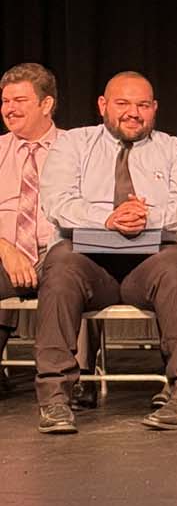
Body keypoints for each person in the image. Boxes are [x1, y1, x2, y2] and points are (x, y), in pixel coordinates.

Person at [35, 71, 177, 434]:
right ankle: (55, 397)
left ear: (154, 108)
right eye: (123, 104)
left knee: (176, 264)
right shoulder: (73, 145)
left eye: (143, 105)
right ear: (103, 106)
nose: (134, 113)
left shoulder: (176, 150)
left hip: (152, 259)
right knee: (60, 260)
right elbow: (56, 202)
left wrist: (145, 216)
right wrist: (108, 218)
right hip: (89, 260)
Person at [0, 64, 61, 344]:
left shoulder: (76, 149)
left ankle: (67, 376)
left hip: (59, 254)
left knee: (71, 269)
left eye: (19, 100)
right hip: (5, 255)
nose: (9, 108)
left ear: (46, 104)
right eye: (5, 101)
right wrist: (6, 250)